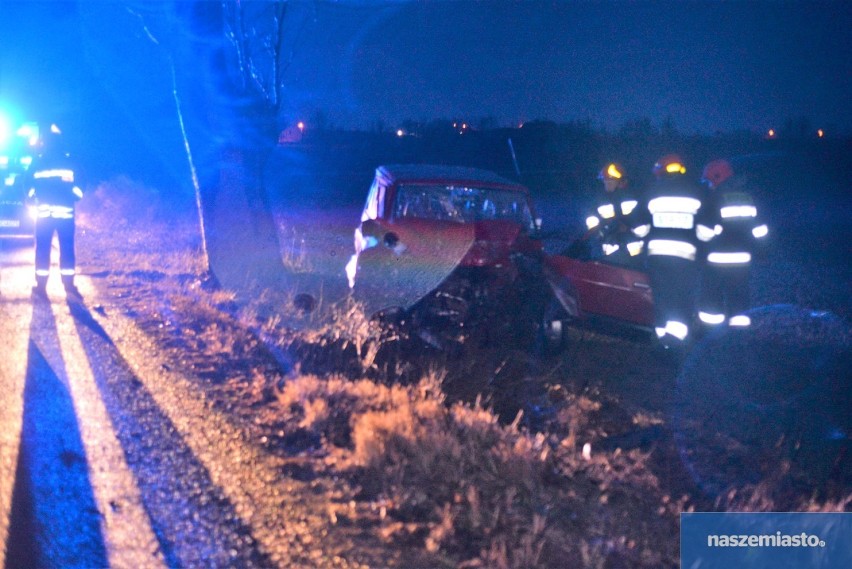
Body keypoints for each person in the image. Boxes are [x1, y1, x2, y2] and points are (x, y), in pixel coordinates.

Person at [631, 154, 712, 347]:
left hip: (657, 256)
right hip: (685, 258)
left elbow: (639, 228)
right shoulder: (697, 192)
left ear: (660, 171)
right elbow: (706, 233)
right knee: (682, 296)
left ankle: (661, 339)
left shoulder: (651, 192)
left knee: (662, 296)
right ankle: (677, 343)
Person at [696, 159, 768, 329]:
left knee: (712, 302)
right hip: (742, 261)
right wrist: (763, 252)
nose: (708, 185)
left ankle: (711, 335)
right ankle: (740, 335)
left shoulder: (714, 198)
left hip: (716, 261)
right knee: (739, 299)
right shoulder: (748, 198)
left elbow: (704, 233)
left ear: (716, 178)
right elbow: (760, 230)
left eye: (708, 181)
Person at [27, 124, 84, 298]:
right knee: (67, 248)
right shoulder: (70, 161)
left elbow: (27, 185)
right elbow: (80, 188)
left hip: (44, 214)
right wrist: (72, 196)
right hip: (65, 214)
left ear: (45, 143)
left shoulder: (38, 161)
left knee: (42, 249)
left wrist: (32, 197)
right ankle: (68, 285)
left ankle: (41, 285)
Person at [585, 162, 644, 259]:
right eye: (605, 181)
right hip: (609, 248)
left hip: (633, 250)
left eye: (610, 181)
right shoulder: (600, 200)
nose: (607, 184)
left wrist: (628, 227)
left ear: (621, 182)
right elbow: (592, 219)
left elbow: (641, 218)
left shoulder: (633, 197)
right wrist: (600, 231)